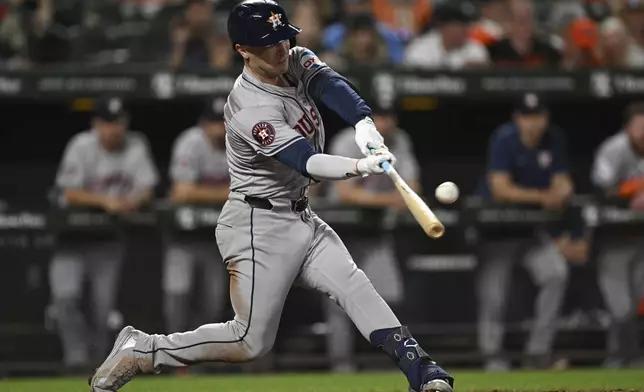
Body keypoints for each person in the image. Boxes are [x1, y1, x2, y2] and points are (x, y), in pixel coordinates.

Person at [89, 2, 454, 392]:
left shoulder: (292, 58)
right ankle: (145, 349)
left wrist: (364, 122)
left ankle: (424, 372)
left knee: (354, 285)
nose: (281, 48)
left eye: (284, 37)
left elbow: (330, 85)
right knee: (249, 342)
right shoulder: (248, 107)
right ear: (242, 50)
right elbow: (305, 160)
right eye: (269, 44)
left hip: (300, 215)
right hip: (256, 225)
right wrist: (361, 166)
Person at [50, 96, 159, 371]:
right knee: (66, 298)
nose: (114, 129)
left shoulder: (136, 144)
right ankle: (75, 360)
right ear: (96, 124)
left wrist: (134, 200)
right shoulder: (81, 145)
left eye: (118, 122)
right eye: (107, 123)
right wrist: (105, 201)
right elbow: (69, 192)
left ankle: (97, 366)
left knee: (103, 310)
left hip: (107, 241)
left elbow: (146, 188)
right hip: (71, 240)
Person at [475, 92, 572, 371]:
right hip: (497, 229)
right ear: (517, 118)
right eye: (527, 117)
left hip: (530, 231)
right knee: (495, 295)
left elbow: (563, 179)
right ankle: (492, 356)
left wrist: (562, 191)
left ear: (546, 117)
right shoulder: (504, 138)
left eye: (538, 116)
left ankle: (538, 353)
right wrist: (544, 197)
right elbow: (500, 188)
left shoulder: (553, 138)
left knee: (556, 273)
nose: (533, 123)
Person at [325, 101, 420, 372]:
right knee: (338, 302)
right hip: (338, 233)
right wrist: (390, 200)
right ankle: (341, 365)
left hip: (375, 235)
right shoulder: (347, 142)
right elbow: (345, 194)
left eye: (389, 117)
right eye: (379, 117)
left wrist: (389, 199)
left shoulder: (400, 141)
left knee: (390, 296)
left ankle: (386, 362)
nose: (385, 123)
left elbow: (412, 186)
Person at [162, 97, 229, 338]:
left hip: (217, 239)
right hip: (184, 236)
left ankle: (197, 358)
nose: (219, 128)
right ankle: (177, 359)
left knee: (212, 303)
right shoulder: (190, 142)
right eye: (213, 122)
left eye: (224, 121)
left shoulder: (242, 143)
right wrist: (227, 193)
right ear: (203, 124)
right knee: (178, 297)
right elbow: (182, 192)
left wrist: (202, 194)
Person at [590, 102, 644, 368]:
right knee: (621, 309)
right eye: (638, 125)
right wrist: (634, 189)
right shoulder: (614, 149)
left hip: (641, 238)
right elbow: (602, 190)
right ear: (627, 128)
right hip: (614, 238)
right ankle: (615, 363)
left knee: (636, 308)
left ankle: (631, 365)